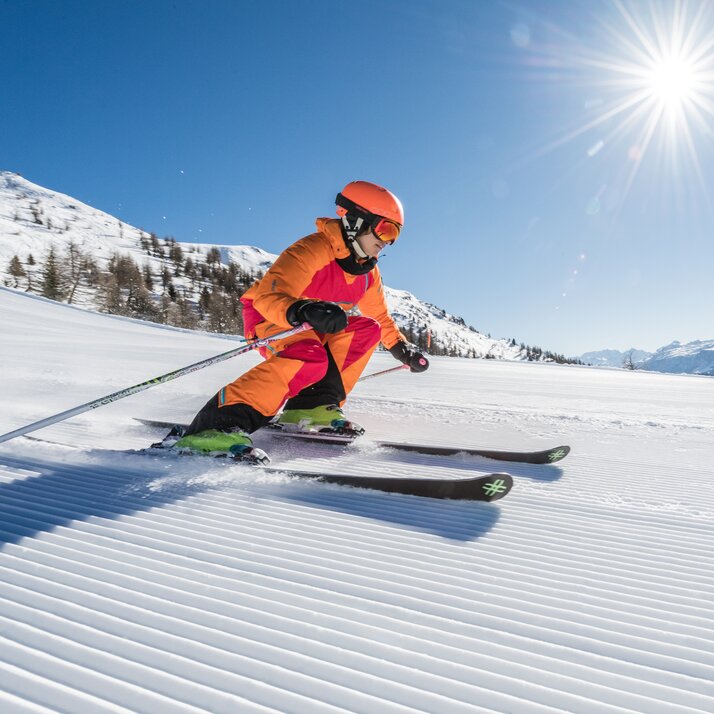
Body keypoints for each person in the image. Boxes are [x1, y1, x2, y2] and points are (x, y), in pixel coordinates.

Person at [171, 180, 429, 462]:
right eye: (385, 228)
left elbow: (379, 316)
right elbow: (269, 297)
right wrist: (302, 309)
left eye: (396, 234)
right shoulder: (312, 250)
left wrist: (401, 349)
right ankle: (213, 427)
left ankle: (310, 407)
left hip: (314, 325)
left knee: (367, 329)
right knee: (308, 354)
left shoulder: (367, 273)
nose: (388, 240)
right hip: (271, 316)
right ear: (357, 220)